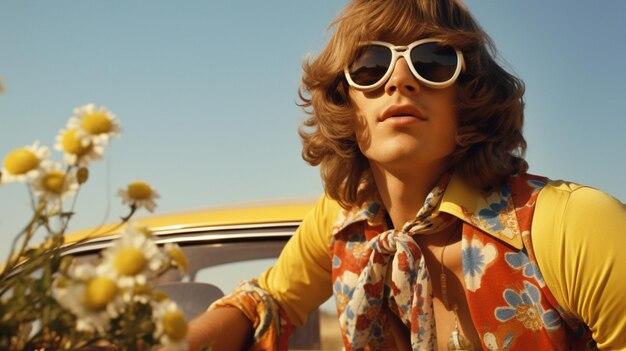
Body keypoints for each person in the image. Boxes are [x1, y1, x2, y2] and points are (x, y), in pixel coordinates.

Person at [185, 0, 626, 350]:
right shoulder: (344, 223)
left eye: (433, 61)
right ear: (345, 100)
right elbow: (266, 305)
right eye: (370, 65)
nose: (399, 80)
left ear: (469, 96)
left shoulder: (573, 226)